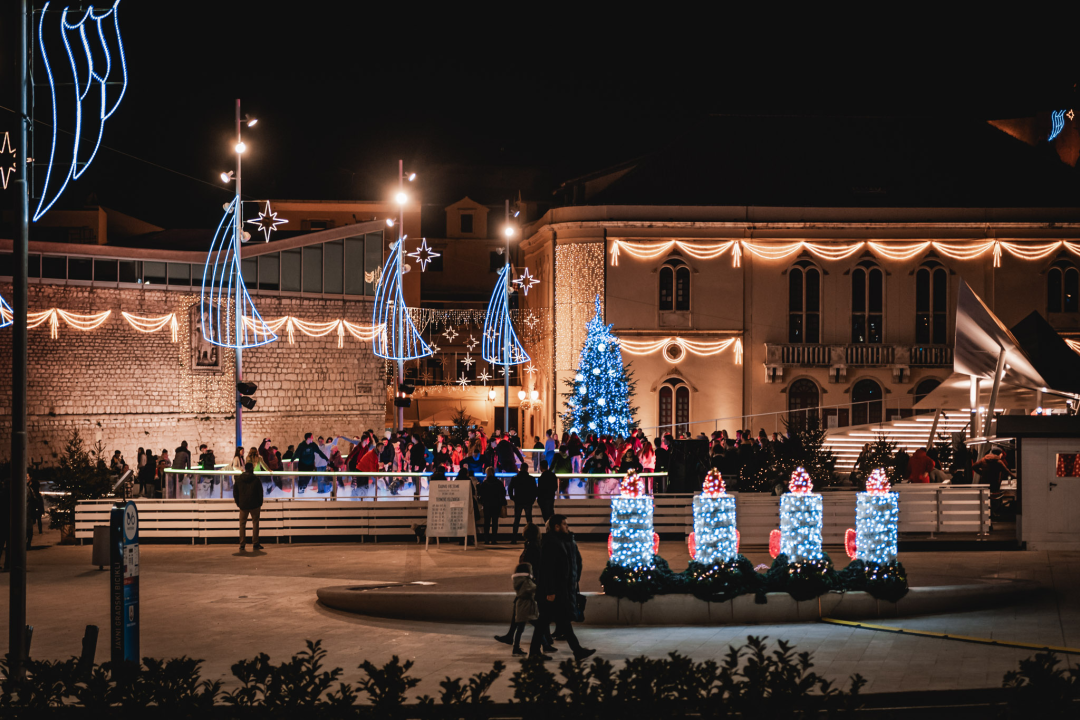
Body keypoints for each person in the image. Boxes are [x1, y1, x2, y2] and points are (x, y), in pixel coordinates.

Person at [539, 514, 594, 661]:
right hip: (555, 590)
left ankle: (577, 651)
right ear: (556, 527)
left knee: (556, 621)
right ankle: (577, 651)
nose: (567, 526)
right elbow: (547, 570)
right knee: (547, 621)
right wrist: (550, 591)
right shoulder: (551, 543)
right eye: (564, 524)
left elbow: (575, 562)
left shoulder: (565, 541)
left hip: (562, 589)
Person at [233, 462, 263, 552]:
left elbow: (235, 493)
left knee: (242, 525)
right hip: (255, 505)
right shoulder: (256, 480)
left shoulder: (238, 479)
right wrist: (259, 503)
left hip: (243, 505)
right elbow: (260, 492)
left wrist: (239, 503)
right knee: (255, 523)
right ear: (251, 468)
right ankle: (255, 543)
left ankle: (242, 544)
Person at [508, 461, 537, 542]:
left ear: (520, 468)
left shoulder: (515, 478)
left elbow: (510, 489)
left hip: (518, 501)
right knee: (529, 521)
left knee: (516, 520)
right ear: (527, 469)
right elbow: (535, 490)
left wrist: (512, 497)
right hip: (528, 501)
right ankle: (531, 538)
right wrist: (532, 500)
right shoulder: (531, 479)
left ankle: (514, 538)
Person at [479, 468, 507, 545]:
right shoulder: (498, 483)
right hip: (496, 505)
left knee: (487, 523)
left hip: (487, 505)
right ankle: (494, 539)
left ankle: (486, 539)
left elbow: (481, 494)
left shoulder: (484, 483)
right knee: (495, 522)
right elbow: (503, 493)